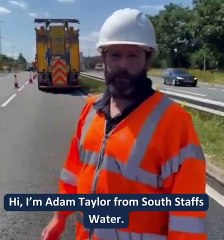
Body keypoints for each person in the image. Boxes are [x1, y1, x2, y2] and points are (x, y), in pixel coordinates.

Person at [41, 8, 207, 240]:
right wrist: (60, 216)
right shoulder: (91, 110)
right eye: (115, 55)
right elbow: (73, 173)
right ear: (104, 58)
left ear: (148, 60)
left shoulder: (174, 122)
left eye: (133, 56)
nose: (122, 65)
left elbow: (187, 214)